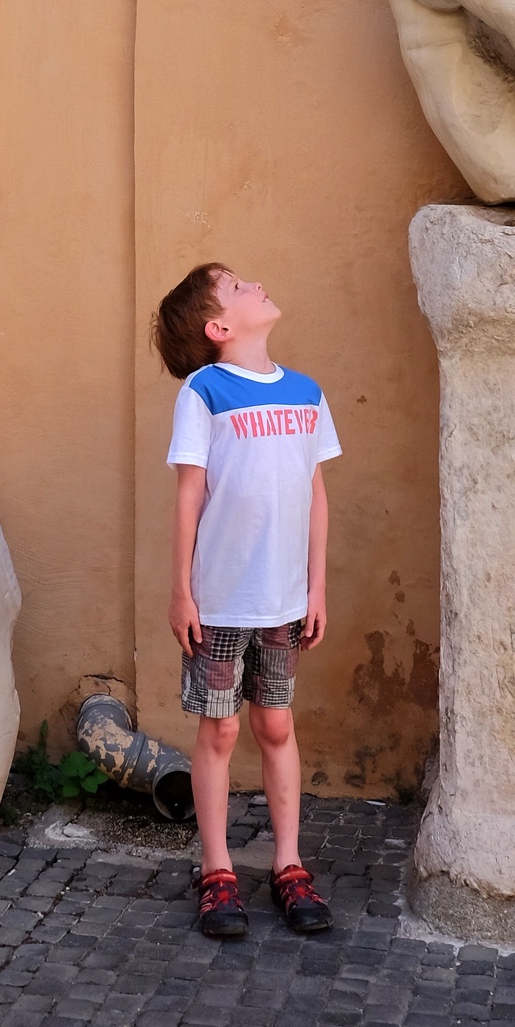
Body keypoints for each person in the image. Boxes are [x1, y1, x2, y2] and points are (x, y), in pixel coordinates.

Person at [154, 262, 340, 940]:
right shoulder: (204, 392)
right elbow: (189, 495)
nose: (256, 281)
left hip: (284, 601)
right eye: (237, 285)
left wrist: (317, 586)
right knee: (222, 730)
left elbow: (315, 495)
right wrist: (182, 591)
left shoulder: (305, 392)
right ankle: (217, 871)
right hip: (221, 599)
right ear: (220, 327)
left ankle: (289, 866)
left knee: (277, 727)